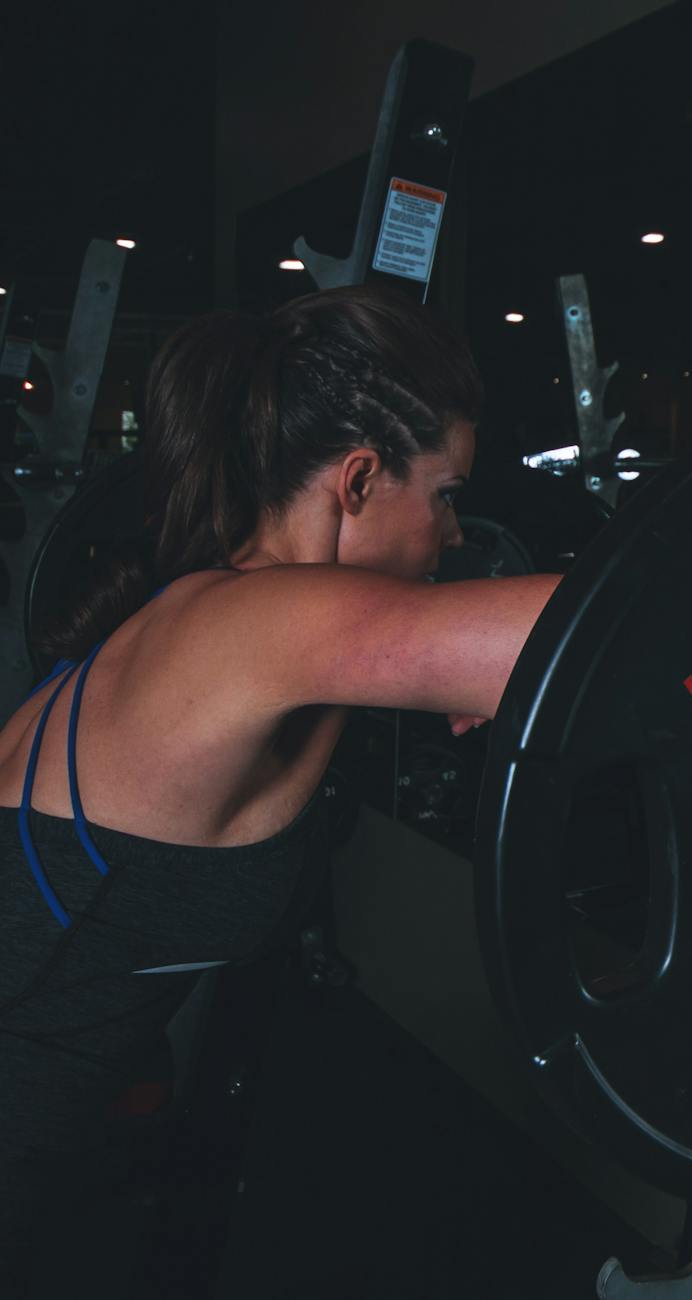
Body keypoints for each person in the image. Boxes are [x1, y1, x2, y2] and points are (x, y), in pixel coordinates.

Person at [0, 286, 560, 1289]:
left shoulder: (206, 617)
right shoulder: (257, 623)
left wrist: (447, 667)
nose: (452, 534)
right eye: (442, 494)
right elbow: (595, 629)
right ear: (354, 481)